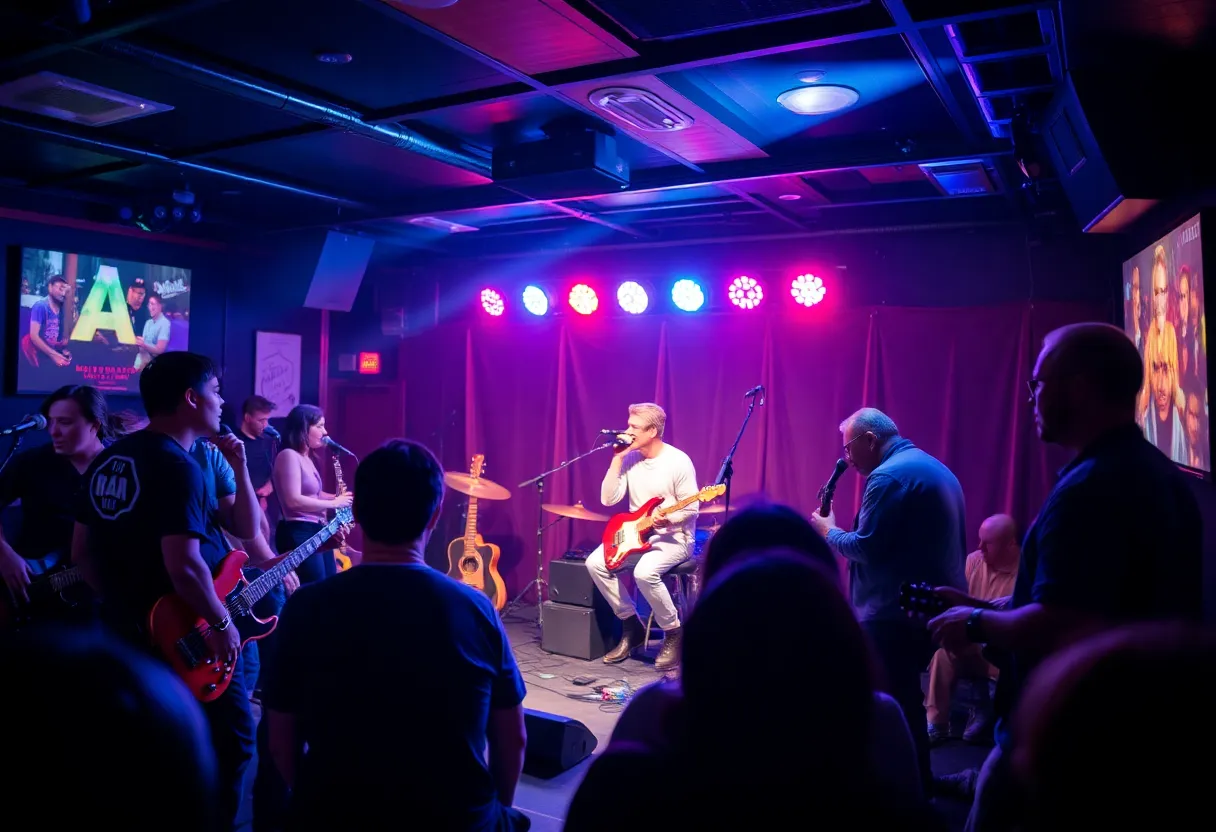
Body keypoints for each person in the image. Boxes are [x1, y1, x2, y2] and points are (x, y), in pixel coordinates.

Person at [926, 323, 1202, 832]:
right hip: (1133, 734)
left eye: (1038, 382)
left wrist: (977, 623)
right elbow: (1095, 605)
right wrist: (980, 607)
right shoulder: (1153, 472)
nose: (1032, 397)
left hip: (1071, 737)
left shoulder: (1091, 489)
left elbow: (1060, 623)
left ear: (1078, 386)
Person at [262, 439, 529, 831]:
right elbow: (513, 739)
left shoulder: (305, 607)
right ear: (435, 516)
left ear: (356, 512)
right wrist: (494, 813)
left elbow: (280, 739)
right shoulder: (476, 609)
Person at [71, 351, 255, 831]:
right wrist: (220, 623)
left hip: (125, 634)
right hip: (191, 638)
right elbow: (186, 566)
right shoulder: (180, 467)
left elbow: (82, 554)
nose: (221, 402)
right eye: (215, 392)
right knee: (233, 744)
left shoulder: (109, 458)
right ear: (192, 399)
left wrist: (128, 611)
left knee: (141, 751)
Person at [810, 407, 967, 792]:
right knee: (901, 698)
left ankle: (913, 789)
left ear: (870, 440)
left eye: (849, 449)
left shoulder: (887, 476)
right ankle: (912, 781)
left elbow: (868, 547)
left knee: (897, 703)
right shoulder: (935, 468)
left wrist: (829, 532)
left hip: (894, 613)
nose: (847, 459)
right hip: (931, 605)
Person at [584, 403, 699, 671]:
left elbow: (692, 508)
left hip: (674, 537)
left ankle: (673, 631)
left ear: (652, 431)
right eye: (629, 425)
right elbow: (608, 498)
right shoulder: (630, 458)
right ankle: (630, 623)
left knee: (645, 573)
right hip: (636, 533)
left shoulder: (678, 461)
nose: (627, 431)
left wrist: (668, 517)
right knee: (594, 563)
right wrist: (617, 459)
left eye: (634, 427)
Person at [0, 385, 133, 609]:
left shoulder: (123, 467)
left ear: (95, 425)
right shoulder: (33, 462)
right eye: (51, 422)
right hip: (29, 585)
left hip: (97, 599)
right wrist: (4, 554)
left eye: (65, 422)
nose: (54, 431)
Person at [271, 404, 352, 586]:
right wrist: (334, 504)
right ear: (303, 428)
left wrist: (340, 499)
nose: (325, 432)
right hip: (297, 531)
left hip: (316, 530)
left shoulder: (307, 457)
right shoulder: (288, 455)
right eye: (319, 426)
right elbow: (293, 500)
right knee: (314, 587)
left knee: (328, 584)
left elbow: (314, 494)